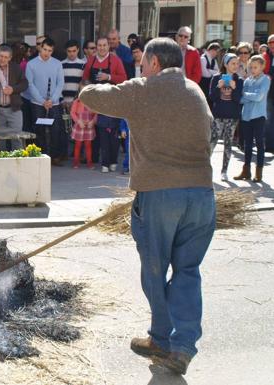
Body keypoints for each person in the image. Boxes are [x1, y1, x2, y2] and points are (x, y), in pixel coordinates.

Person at [80, 37, 216, 376]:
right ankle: (181, 345)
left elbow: (89, 96)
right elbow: (210, 134)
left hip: (159, 194)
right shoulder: (195, 91)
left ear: (154, 63)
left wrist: (104, 81)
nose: (140, 68)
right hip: (202, 194)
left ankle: (161, 339)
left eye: (143, 64)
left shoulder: (142, 89)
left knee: (155, 270)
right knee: (187, 271)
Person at [82, 36, 127, 171]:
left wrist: (109, 77)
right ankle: (95, 159)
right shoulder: (91, 60)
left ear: (108, 47)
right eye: (99, 46)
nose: (102, 48)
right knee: (94, 132)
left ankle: (110, 161)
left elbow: (124, 79)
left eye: (104, 45)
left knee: (110, 134)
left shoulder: (115, 60)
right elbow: (85, 79)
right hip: (94, 101)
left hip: (110, 102)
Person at [23, 38, 67, 165]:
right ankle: (41, 155)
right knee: (39, 129)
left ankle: (54, 156)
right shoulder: (31, 64)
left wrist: (52, 100)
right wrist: (42, 101)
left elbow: (60, 83)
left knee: (55, 129)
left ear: (52, 51)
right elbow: (30, 85)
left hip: (54, 103)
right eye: (45, 49)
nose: (46, 53)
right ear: (40, 48)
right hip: (37, 103)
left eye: (50, 50)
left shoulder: (57, 64)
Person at [234, 55, 270, 183]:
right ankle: (246, 170)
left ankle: (258, 172)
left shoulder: (266, 79)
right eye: (251, 67)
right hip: (246, 116)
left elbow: (259, 97)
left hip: (259, 116)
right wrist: (248, 96)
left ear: (262, 67)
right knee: (247, 144)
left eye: (255, 67)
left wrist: (245, 95)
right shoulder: (247, 81)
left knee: (259, 143)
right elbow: (241, 99)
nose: (253, 69)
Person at [209, 53, 243, 181]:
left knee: (228, 144)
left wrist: (234, 88)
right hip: (218, 116)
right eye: (233, 63)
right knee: (212, 142)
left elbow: (239, 99)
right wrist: (219, 86)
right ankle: (205, 169)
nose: (236, 66)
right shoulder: (216, 77)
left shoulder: (239, 80)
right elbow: (212, 97)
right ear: (225, 64)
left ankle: (224, 171)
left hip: (232, 117)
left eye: (237, 63)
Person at [0, 44, 28, 150]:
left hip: (14, 108)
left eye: (5, 57)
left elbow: (25, 84)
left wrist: (13, 89)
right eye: (1, 56)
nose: (2, 59)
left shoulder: (15, 67)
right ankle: (1, 164)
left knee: (16, 137)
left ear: (10, 58)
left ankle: (19, 164)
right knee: (0, 140)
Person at [69, 91, 96, 169]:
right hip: (79, 126)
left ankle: (89, 162)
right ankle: (76, 162)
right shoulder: (77, 102)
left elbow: (96, 113)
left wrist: (92, 122)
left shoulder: (93, 103)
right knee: (78, 145)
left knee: (88, 145)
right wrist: (78, 121)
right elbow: (72, 113)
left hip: (89, 127)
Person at [61, 40, 86, 106]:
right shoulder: (60, 65)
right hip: (63, 102)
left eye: (74, 51)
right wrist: (61, 100)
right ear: (65, 51)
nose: (72, 54)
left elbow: (84, 84)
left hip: (78, 102)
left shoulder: (83, 65)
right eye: (69, 51)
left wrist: (78, 99)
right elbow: (57, 84)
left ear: (78, 50)